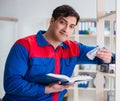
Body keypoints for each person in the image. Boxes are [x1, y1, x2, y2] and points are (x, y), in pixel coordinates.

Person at [2, 4, 114, 101]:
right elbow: (11, 84)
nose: (66, 29)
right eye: (62, 22)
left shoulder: (74, 48)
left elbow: (101, 55)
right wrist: (46, 89)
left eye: (71, 26)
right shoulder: (24, 46)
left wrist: (109, 57)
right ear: (52, 21)